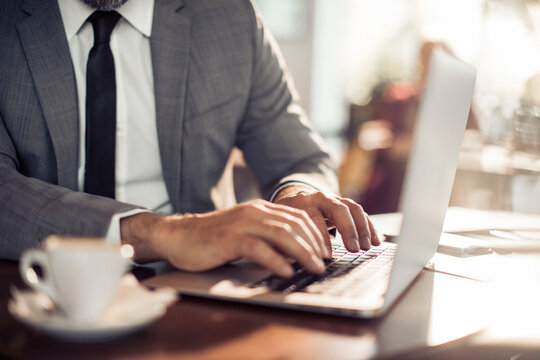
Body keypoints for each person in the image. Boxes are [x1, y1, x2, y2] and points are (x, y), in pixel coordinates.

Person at [0, 0, 380, 278]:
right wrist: (165, 234)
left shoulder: (230, 18)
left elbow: (300, 159)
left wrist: (296, 195)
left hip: (204, 292)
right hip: (41, 290)